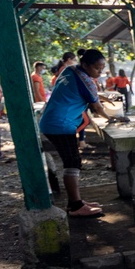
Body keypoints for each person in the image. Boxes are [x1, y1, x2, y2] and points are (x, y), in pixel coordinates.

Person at [39, 48, 121, 218]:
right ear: (85, 64)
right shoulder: (88, 81)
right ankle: (75, 206)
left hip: (51, 120)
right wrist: (113, 118)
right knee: (72, 162)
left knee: (72, 160)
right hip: (60, 125)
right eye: (97, 68)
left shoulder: (71, 70)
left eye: (102, 68)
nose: (99, 72)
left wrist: (102, 97)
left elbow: (83, 91)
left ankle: (76, 202)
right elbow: (96, 107)